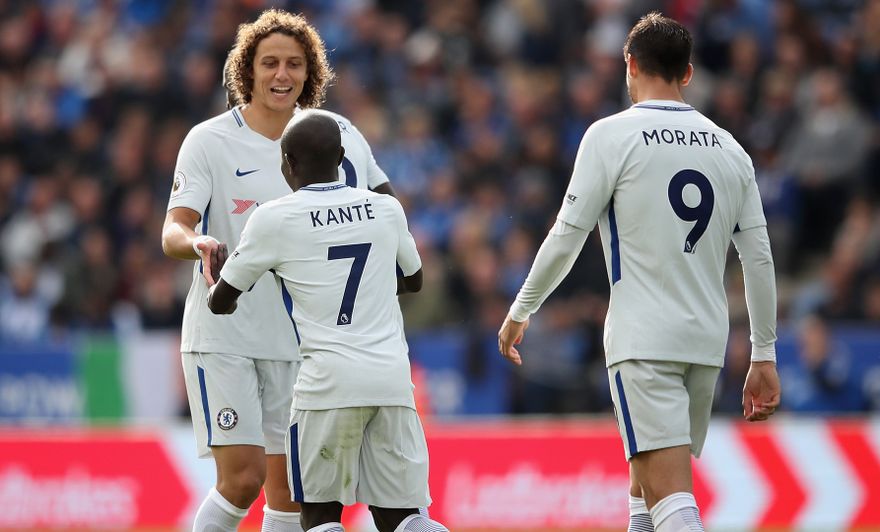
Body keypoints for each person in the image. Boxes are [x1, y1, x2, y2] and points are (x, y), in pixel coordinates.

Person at [497, 13, 780, 532]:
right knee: (646, 491)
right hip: (704, 342)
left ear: (629, 65)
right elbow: (758, 258)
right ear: (688, 74)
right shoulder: (732, 150)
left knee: (671, 498)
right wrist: (764, 352)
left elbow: (567, 234)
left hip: (644, 338)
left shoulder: (611, 136)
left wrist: (522, 308)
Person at [162, 9, 396, 532]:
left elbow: (385, 206)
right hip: (226, 335)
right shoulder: (209, 140)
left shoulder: (340, 135)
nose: (281, 75)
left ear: (310, 73)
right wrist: (197, 241)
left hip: (299, 343)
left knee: (290, 492)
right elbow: (172, 229)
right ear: (248, 70)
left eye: (294, 64)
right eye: (269, 63)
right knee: (241, 479)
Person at [208, 112, 447, 532]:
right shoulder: (386, 208)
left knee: (319, 517)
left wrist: (220, 271)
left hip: (327, 387)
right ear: (340, 156)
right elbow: (414, 280)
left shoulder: (275, 219)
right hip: (391, 382)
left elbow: (221, 303)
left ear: (287, 164)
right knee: (404, 519)